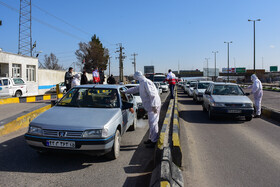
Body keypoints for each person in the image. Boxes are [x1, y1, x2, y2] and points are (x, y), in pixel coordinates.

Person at [124, 71, 161, 148]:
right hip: (151, 106)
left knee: (153, 123)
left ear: (137, 77)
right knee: (151, 123)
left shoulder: (146, 82)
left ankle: (154, 141)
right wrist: (125, 91)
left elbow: (153, 95)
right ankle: (151, 139)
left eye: (135, 78)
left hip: (154, 106)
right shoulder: (142, 83)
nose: (136, 80)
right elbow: (135, 89)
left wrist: (154, 106)